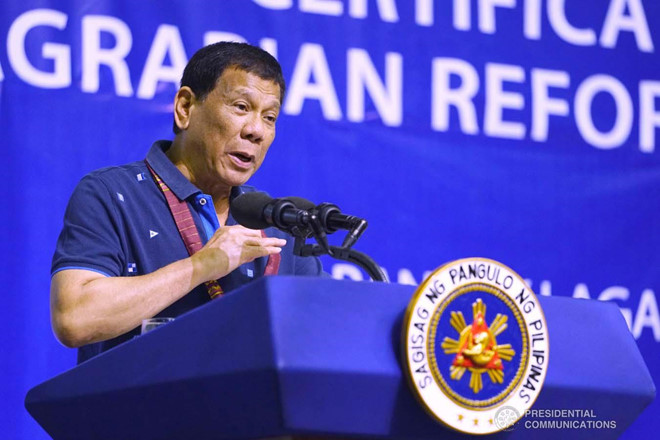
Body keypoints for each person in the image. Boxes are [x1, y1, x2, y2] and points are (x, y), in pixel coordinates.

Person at [50, 42, 324, 363]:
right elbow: (75, 318)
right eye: (240, 107)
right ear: (185, 107)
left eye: (269, 117)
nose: (256, 131)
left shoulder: (275, 223)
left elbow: (327, 327)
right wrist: (202, 266)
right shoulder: (112, 193)